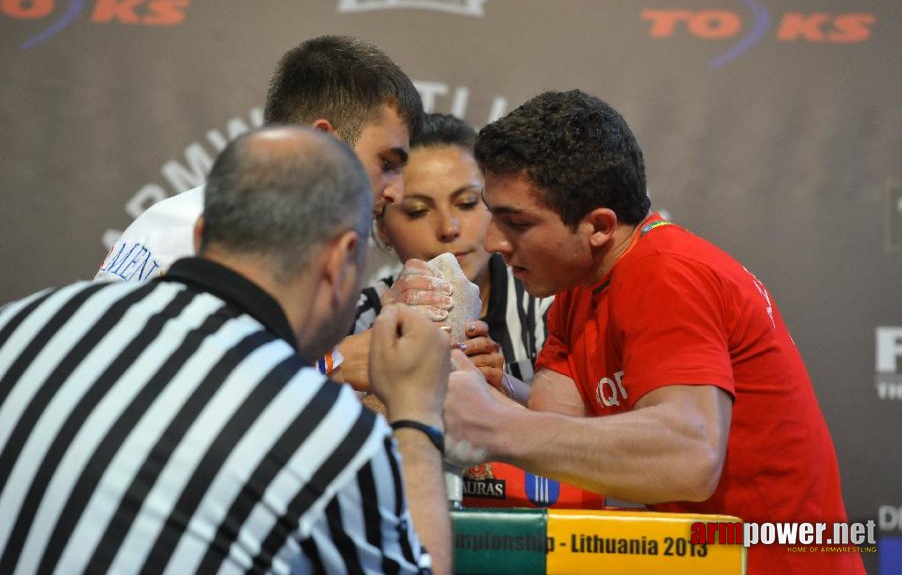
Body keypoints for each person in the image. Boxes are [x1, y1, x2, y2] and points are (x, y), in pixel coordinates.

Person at [442, 90, 864, 574]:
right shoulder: (577, 290)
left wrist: (490, 423)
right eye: (492, 214)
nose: (492, 241)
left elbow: (690, 457)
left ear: (599, 226)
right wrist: (486, 387)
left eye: (516, 222)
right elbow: (558, 429)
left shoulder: (666, 273)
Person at [0, 126, 452, 574]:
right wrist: (417, 418)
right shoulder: (325, 430)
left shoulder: (17, 325)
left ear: (201, 235)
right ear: (340, 259)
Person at [94, 35, 453, 376]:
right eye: (387, 164)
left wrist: (377, 330)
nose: (397, 192)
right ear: (323, 141)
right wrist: (341, 362)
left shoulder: (268, 228)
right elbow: (181, 386)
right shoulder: (194, 233)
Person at [343, 113, 603, 509]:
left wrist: (504, 390)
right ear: (381, 227)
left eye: (467, 203)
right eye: (417, 210)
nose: (448, 228)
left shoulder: (552, 307)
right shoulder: (353, 320)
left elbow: (604, 441)